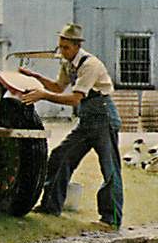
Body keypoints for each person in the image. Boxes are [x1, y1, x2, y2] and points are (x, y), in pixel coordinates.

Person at [19, 23, 123, 229]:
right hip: (87, 118)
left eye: (66, 47)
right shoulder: (68, 63)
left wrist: (43, 95)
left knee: (109, 169)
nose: (62, 51)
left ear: (76, 46)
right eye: (60, 46)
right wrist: (35, 77)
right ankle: (50, 206)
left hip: (103, 116)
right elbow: (58, 87)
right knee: (60, 156)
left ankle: (110, 219)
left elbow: (75, 99)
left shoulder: (90, 65)